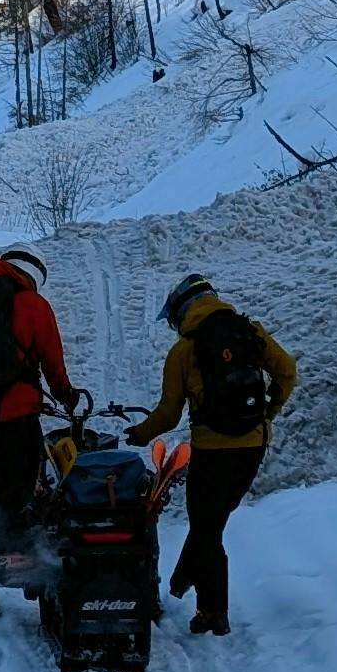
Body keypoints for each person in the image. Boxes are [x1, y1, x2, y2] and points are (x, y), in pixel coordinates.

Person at [130, 273, 295, 638]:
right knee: (212, 524)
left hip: (211, 451)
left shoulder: (184, 351)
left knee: (207, 529)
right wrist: (269, 412)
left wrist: (138, 434)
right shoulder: (251, 333)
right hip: (252, 447)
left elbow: (168, 414)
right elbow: (288, 372)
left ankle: (212, 612)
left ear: (180, 313)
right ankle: (181, 580)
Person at [0, 246, 79, 527]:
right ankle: (26, 559)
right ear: (35, 273)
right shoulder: (32, 304)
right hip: (20, 416)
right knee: (25, 493)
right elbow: (52, 360)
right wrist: (65, 394)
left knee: (0, 490)